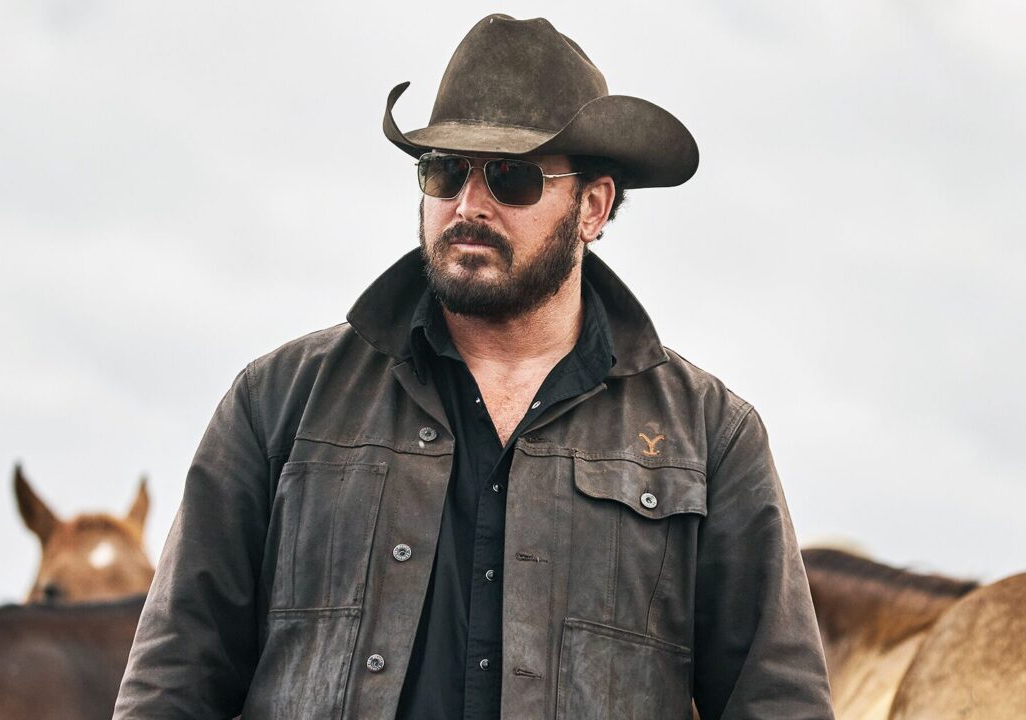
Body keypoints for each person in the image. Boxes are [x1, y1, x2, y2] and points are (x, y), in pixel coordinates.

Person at [114, 14, 834, 720]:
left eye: (511, 179)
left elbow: (778, 702)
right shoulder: (279, 402)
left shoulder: (709, 437)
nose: (468, 205)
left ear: (593, 207)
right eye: (445, 171)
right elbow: (172, 682)